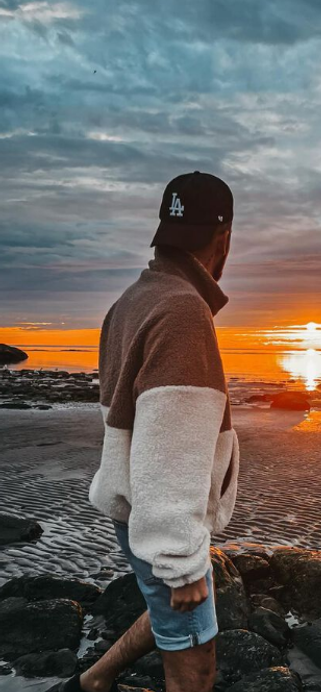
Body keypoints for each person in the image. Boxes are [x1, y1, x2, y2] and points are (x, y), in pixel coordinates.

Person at [62, 172, 240, 692]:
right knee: (195, 654)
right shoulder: (184, 311)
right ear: (224, 238)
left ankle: (95, 679)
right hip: (157, 511)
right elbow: (171, 443)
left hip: (136, 505)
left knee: (173, 614)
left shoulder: (131, 300)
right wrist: (181, 558)